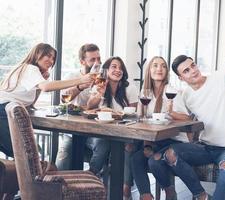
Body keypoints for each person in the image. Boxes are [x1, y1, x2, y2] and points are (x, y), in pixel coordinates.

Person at [148, 21, 225, 200]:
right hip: (204, 148)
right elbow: (187, 119)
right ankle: (201, 196)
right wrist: (173, 114)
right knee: (166, 155)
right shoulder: (186, 95)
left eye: (193, 66)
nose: (193, 71)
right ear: (181, 77)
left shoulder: (220, 78)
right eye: (186, 70)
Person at [0, 43, 94, 158]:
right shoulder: (30, 69)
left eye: (53, 58)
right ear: (37, 54)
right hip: (3, 114)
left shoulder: (26, 69)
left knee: (30, 155)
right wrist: (81, 80)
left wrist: (41, 80)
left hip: (5, 112)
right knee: (30, 155)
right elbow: (47, 87)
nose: (51, 61)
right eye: (48, 56)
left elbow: (31, 102)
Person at [131, 56, 190, 200]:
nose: (159, 69)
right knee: (135, 158)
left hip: (173, 141)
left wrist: (171, 113)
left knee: (153, 160)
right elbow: (141, 119)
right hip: (154, 141)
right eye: (155, 65)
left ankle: (169, 189)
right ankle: (146, 195)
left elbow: (186, 118)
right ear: (149, 70)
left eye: (163, 66)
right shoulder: (145, 93)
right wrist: (147, 144)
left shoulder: (171, 91)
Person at [87, 56, 138, 200]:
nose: (118, 70)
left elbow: (132, 115)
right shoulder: (99, 84)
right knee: (103, 144)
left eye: (120, 68)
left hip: (122, 133)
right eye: (114, 67)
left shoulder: (130, 88)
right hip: (97, 132)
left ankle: (124, 188)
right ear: (106, 70)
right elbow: (90, 106)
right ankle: (92, 178)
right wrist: (100, 94)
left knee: (126, 147)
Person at [56, 43, 103, 171]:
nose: (97, 63)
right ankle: (59, 188)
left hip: (95, 130)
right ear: (82, 61)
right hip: (72, 129)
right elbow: (64, 98)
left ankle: (90, 178)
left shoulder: (102, 78)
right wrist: (81, 86)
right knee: (62, 159)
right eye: (92, 59)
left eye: (98, 59)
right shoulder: (72, 77)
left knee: (102, 145)